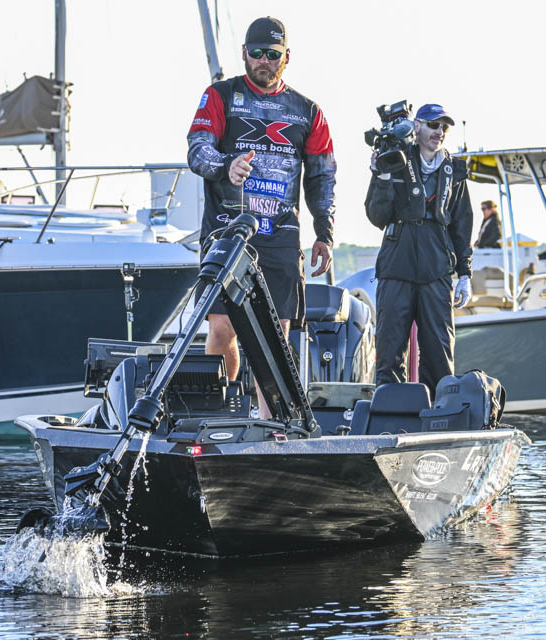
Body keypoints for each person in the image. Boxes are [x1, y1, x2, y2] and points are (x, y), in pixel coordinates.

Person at [187, 16, 336, 418]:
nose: (264, 61)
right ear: (244, 54)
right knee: (222, 328)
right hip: (228, 232)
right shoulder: (220, 95)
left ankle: (273, 426)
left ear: (286, 57)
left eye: (272, 54)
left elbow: (322, 176)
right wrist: (226, 166)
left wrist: (325, 233)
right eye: (257, 53)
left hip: (280, 236)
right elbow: (197, 150)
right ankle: (217, 416)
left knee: (276, 339)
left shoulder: (308, 111)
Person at [364, 103, 473, 393]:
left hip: (436, 269)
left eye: (444, 127)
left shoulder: (455, 170)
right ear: (417, 127)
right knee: (389, 349)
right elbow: (376, 216)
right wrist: (381, 176)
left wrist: (465, 274)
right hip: (396, 266)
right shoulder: (394, 159)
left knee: (439, 352)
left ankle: (438, 410)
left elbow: (462, 225)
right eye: (433, 125)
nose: (440, 132)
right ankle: (390, 408)